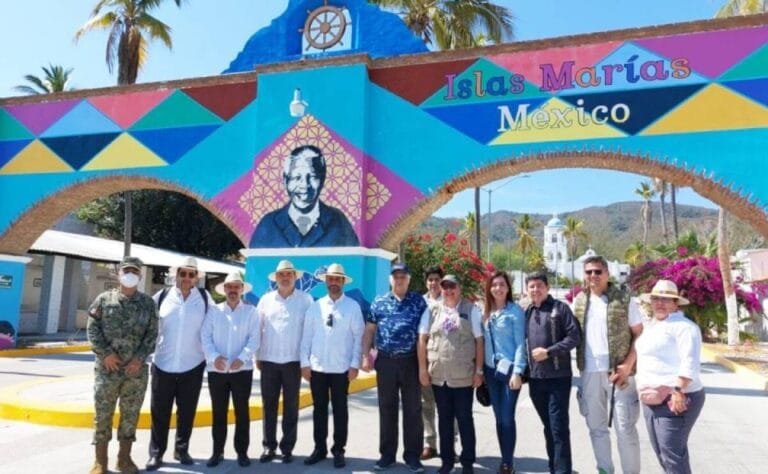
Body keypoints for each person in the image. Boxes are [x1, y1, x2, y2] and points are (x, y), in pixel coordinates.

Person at [572, 255, 643, 474]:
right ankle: (604, 469)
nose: (593, 276)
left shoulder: (624, 299)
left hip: (620, 373)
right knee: (596, 428)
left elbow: (640, 335)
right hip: (589, 372)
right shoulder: (579, 301)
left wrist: (628, 365)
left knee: (625, 428)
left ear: (607, 274)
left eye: (598, 271)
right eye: (588, 272)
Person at [87, 256, 158, 474]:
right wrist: (106, 354)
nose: (130, 274)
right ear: (118, 274)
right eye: (126, 270)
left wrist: (139, 358)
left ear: (140, 275)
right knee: (103, 414)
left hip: (134, 372)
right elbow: (92, 329)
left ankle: (124, 459)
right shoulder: (103, 299)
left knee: (130, 415)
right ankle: (100, 462)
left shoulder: (147, 303)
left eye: (135, 271)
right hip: (107, 370)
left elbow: (152, 335)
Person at [146, 256, 215, 471]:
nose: (186, 278)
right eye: (182, 273)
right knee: (159, 412)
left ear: (196, 278)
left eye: (191, 274)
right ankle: (156, 453)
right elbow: (148, 326)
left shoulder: (205, 299)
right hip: (163, 363)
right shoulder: (161, 297)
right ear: (176, 275)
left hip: (193, 364)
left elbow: (217, 325)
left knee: (186, 411)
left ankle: (182, 449)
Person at [362, 263, 427, 473]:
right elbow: (370, 331)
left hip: (410, 362)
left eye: (403, 276)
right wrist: (365, 356)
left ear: (408, 279)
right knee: (387, 408)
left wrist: (423, 365)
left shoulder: (419, 302)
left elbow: (424, 334)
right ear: (391, 279)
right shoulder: (379, 302)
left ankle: (412, 456)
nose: (399, 280)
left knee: (413, 410)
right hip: (386, 361)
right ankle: (387, 455)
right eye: (396, 276)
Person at [636, 280, 705, 474]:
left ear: (675, 303)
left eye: (666, 299)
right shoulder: (653, 325)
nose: (660, 303)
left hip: (675, 398)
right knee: (663, 453)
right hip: (651, 398)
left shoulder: (685, 327)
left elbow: (689, 362)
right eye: (656, 298)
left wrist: (678, 391)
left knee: (672, 454)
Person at [300, 263, 365, 468]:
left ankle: (338, 450)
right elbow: (306, 338)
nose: (334, 282)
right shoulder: (315, 306)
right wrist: (304, 363)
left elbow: (358, 337)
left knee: (340, 410)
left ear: (343, 282)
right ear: (325, 281)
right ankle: (319, 449)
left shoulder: (353, 307)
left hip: (341, 369)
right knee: (319, 410)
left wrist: (355, 364)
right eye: (331, 279)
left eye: (338, 279)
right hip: (317, 368)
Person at [418, 274, 484, 474]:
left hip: (463, 377)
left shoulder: (470, 310)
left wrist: (479, 371)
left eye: (452, 287)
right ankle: (446, 461)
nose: (448, 291)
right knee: (444, 420)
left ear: (459, 288)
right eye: (445, 287)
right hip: (439, 376)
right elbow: (422, 339)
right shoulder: (431, 310)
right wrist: (422, 369)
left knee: (464, 420)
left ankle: (467, 462)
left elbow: (479, 342)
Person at [255, 260, 313, 464]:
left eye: (289, 274)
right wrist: (258, 356)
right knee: (268, 405)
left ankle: (287, 447)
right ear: (276, 278)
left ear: (295, 277)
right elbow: (258, 331)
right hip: (269, 361)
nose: (285, 277)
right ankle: (268, 446)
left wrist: (306, 362)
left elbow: (310, 333)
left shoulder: (306, 301)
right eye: (281, 274)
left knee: (291, 406)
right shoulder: (265, 300)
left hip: (293, 362)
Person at [201, 271, 261, 468]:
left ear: (242, 289)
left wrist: (242, 359)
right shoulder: (213, 311)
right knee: (219, 413)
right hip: (216, 370)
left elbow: (254, 339)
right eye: (230, 287)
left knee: (242, 413)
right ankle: (217, 452)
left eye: (237, 286)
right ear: (224, 289)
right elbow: (205, 337)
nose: (233, 290)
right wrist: (214, 357)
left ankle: (242, 453)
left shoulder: (251, 312)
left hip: (241, 371)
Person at [249, 144, 360, 248]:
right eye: (297, 177)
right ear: (285, 180)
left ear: (322, 179)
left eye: (312, 177)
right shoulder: (268, 225)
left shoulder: (339, 222)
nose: (305, 185)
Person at [525, 272, 581, 474]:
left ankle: (562, 470)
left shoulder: (560, 308)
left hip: (558, 378)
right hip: (535, 380)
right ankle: (553, 467)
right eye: (531, 286)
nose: (535, 290)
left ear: (547, 288)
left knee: (558, 428)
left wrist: (549, 352)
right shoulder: (528, 311)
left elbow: (574, 337)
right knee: (548, 426)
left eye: (539, 285)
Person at [482, 271, 526, 474]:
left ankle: (508, 461)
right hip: (491, 372)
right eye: (494, 285)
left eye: (502, 285)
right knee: (499, 417)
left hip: (509, 373)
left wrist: (518, 372)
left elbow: (520, 345)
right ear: (489, 288)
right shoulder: (486, 312)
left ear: (508, 288)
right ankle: (504, 457)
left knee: (507, 417)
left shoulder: (515, 311)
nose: (498, 288)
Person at [420, 266, 444, 460]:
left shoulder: (451, 300)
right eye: (430, 280)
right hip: (425, 360)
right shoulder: (420, 302)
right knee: (427, 404)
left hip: (445, 362)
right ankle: (430, 443)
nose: (433, 283)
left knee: (447, 406)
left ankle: (449, 445)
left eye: (436, 279)